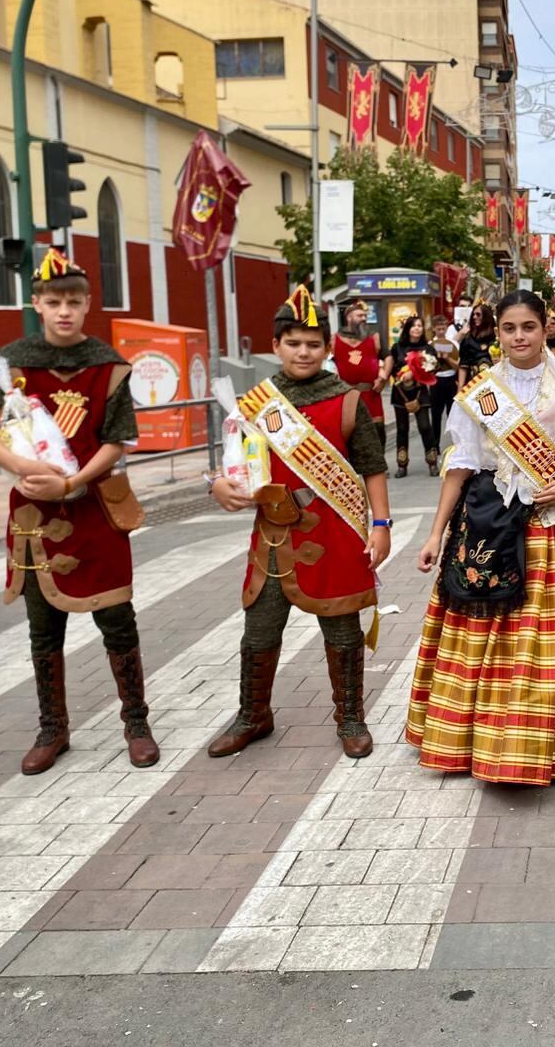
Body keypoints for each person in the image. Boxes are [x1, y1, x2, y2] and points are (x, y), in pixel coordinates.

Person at [407, 289, 555, 784]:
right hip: (487, 526)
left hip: (552, 527)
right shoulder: (480, 393)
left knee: (543, 641)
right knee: (484, 632)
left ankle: (543, 743)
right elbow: (460, 465)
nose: (520, 337)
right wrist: (435, 534)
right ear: (497, 333)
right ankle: (472, 739)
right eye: (510, 328)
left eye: (529, 326)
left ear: (546, 327)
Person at [0, 249, 158, 775]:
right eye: (53, 302)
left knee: (117, 619)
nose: (64, 311)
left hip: (94, 506)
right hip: (33, 513)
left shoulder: (110, 367)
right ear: (37, 304)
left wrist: (72, 479)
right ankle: (53, 728)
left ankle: (136, 722)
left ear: (88, 304)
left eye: (73, 301)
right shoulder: (12, 363)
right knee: (42, 628)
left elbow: (118, 441)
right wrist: (24, 466)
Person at [206, 285, 392, 759]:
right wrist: (219, 487)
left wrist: (382, 525)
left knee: (343, 631)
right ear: (276, 347)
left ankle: (350, 717)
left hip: (334, 531)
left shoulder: (347, 401)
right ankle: (254, 715)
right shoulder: (255, 404)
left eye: (313, 343)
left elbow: (373, 468)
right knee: (259, 631)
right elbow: (234, 465)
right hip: (273, 535)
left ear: (327, 349)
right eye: (293, 342)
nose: (303, 351)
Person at [383, 315, 440, 478]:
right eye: (414, 326)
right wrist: (402, 375)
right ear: (408, 329)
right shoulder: (397, 348)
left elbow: (435, 367)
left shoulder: (428, 349)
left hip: (420, 392)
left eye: (420, 326)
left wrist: (417, 374)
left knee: (425, 427)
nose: (417, 328)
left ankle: (432, 462)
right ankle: (402, 465)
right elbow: (392, 369)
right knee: (402, 429)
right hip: (400, 393)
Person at [332, 300, 387, 451]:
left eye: (365, 315)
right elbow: (328, 365)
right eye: (359, 315)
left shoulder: (373, 337)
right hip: (347, 395)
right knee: (350, 432)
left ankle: (379, 464)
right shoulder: (334, 339)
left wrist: (382, 377)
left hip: (371, 393)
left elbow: (385, 358)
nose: (364, 318)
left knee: (377, 430)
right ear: (349, 318)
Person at [429, 313, 460, 433]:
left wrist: (447, 358)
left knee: (452, 413)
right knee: (436, 414)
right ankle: (434, 447)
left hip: (451, 380)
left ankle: (454, 443)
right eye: (438, 329)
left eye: (443, 328)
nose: (441, 331)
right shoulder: (430, 345)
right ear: (433, 329)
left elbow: (458, 366)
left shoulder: (453, 344)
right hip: (436, 381)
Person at [457, 302, 497, 388]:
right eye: (473, 315)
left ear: (486, 316)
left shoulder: (497, 338)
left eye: (478, 314)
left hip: (494, 383)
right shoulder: (467, 340)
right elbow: (463, 366)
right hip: (472, 384)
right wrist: (460, 388)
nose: (474, 317)